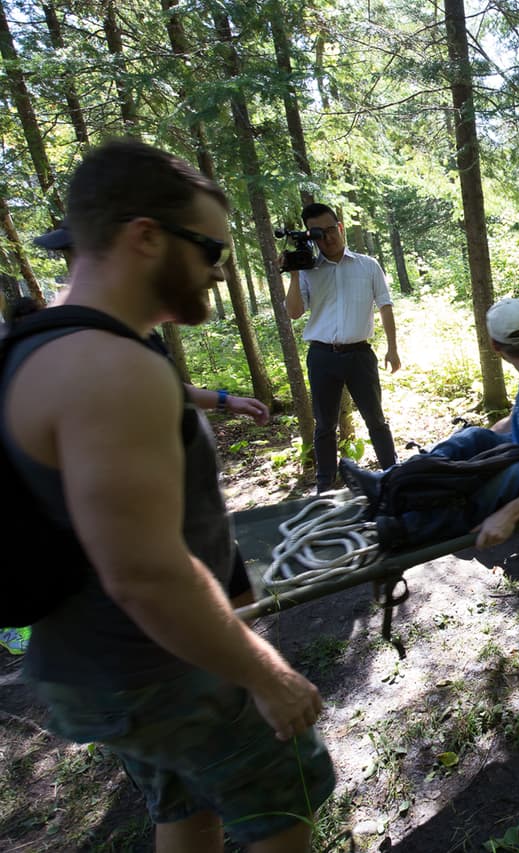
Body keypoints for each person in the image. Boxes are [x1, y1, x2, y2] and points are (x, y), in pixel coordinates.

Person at [2, 140, 332, 851]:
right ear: (145, 236)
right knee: (287, 793)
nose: (219, 269)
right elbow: (145, 571)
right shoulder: (111, 368)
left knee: (186, 805)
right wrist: (265, 672)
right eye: (210, 248)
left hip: (99, 668)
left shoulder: (49, 344)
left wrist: (213, 396)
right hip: (159, 666)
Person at [29, 221, 268, 609]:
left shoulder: (130, 333)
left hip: (200, 530)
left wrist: (226, 400)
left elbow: (170, 386)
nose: (218, 274)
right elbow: (133, 562)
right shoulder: (83, 353)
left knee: (239, 600)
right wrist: (261, 671)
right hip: (163, 567)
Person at [343, 297, 519, 550]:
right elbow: (515, 420)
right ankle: (386, 486)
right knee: (473, 436)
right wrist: (475, 449)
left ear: (496, 346)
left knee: (509, 477)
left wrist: (508, 515)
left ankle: (405, 529)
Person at [285, 202, 399, 492]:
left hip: (360, 354)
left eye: (331, 229)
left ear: (340, 227)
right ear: (312, 237)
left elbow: (385, 305)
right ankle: (325, 487)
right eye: (318, 234)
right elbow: (294, 311)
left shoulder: (368, 265)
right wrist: (295, 273)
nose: (328, 238)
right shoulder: (310, 271)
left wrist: (392, 348)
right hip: (322, 355)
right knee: (324, 426)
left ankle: (393, 475)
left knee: (375, 418)